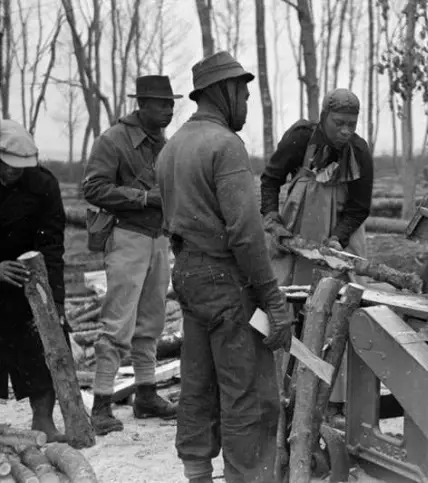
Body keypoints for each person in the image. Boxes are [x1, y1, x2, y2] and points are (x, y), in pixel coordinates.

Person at [155, 51, 293, 483]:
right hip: (225, 279)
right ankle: (245, 476)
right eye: (244, 95)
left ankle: (197, 473)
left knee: (197, 383)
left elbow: (168, 221)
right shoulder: (225, 145)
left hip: (188, 276)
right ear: (225, 91)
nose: (247, 106)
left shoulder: (171, 147)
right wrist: (272, 297)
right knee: (245, 391)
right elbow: (246, 234)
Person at [260, 87, 374, 410]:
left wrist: (338, 237)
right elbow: (270, 179)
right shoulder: (299, 139)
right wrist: (271, 218)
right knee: (288, 303)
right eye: (339, 122)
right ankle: (281, 390)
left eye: (352, 123)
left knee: (343, 304)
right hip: (296, 233)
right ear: (324, 116)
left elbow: (359, 207)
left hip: (342, 235)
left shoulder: (360, 152)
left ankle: (336, 398)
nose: (345, 130)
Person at [82, 75, 180, 436]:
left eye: (171, 104)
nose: (168, 110)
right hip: (125, 235)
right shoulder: (113, 140)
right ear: (142, 105)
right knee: (117, 321)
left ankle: (146, 394)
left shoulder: (163, 143)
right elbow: (92, 187)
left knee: (151, 322)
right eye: (161, 104)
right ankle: (102, 404)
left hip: (157, 238)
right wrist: (142, 198)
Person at [0, 119, 69, 442]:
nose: (14, 172)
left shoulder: (42, 185)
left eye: (20, 168)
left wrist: (55, 301)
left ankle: (43, 421)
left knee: (46, 345)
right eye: (8, 166)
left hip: (27, 281)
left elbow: (53, 246)